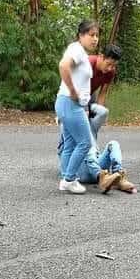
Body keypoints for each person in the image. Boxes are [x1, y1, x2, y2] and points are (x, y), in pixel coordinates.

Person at [56, 20, 99, 194]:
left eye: (97, 35)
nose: (95, 39)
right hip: (69, 102)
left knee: (70, 144)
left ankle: (66, 178)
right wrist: (73, 91)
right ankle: (69, 179)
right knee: (85, 142)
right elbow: (63, 66)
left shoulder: (81, 52)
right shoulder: (76, 49)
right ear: (81, 35)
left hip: (67, 103)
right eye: (91, 35)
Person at [87, 44, 122, 138]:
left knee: (96, 118)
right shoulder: (88, 62)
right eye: (108, 64)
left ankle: (92, 147)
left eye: (113, 65)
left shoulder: (110, 72)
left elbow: (103, 93)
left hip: (90, 95)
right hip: (74, 95)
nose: (110, 68)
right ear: (101, 56)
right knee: (77, 126)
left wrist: (99, 111)